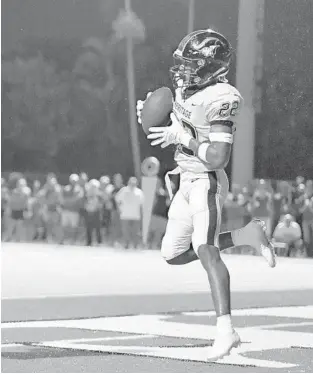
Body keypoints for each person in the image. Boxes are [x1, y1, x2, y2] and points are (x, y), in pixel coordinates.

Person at [136, 28, 276, 360]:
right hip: (185, 179)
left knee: (206, 251)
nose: (183, 70)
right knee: (172, 254)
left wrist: (182, 139)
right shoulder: (186, 90)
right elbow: (180, 122)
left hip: (207, 180)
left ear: (211, 66)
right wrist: (152, 115)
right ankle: (247, 233)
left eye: (191, 63)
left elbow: (217, 157)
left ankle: (226, 332)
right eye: (183, 63)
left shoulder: (222, 98)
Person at [115, 177, 144, 249]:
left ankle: (135, 246)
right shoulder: (123, 190)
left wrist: (141, 214)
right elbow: (117, 199)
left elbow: (141, 204)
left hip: (136, 216)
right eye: (131, 183)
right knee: (125, 231)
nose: (133, 184)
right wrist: (119, 209)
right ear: (128, 183)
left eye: (134, 183)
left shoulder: (139, 192)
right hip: (125, 215)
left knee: (136, 232)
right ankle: (126, 245)